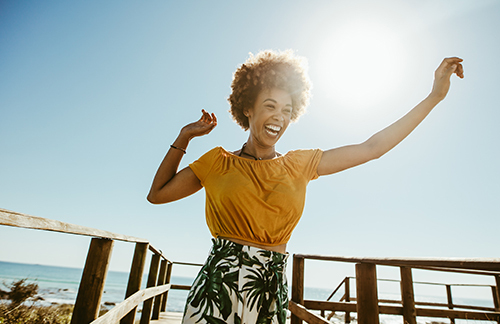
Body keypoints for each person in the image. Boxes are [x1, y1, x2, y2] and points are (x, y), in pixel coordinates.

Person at [147, 50, 464, 324]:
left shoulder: (299, 164)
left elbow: (372, 148)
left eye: (286, 110)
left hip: (268, 291)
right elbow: (158, 194)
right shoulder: (217, 162)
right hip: (217, 288)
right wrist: (184, 137)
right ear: (247, 108)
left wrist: (434, 96)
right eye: (270, 106)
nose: (279, 118)